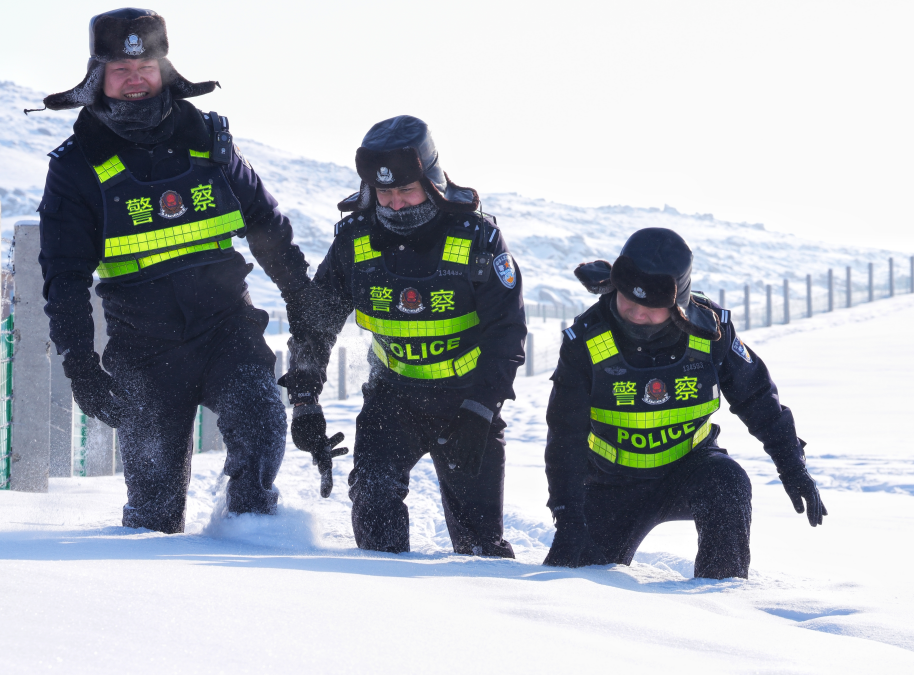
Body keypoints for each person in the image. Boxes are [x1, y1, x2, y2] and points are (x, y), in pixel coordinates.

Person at [33, 8, 312, 533]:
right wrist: (83, 370)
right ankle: (160, 594)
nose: (136, 78)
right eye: (121, 69)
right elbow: (64, 281)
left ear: (165, 69)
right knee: (153, 515)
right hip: (143, 349)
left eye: (147, 65)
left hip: (227, 328)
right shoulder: (74, 166)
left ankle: (249, 537)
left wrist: (304, 304)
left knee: (261, 425)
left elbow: (268, 227)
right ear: (98, 77)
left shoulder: (211, 140)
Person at [281, 115, 526, 557]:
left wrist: (480, 410)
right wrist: (303, 401)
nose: (394, 205)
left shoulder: (479, 239)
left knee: (481, 546)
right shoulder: (353, 240)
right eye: (384, 194)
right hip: (392, 398)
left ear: (432, 184)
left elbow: (506, 336)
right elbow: (314, 327)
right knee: (373, 504)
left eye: (406, 192)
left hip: (468, 402)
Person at [543, 228, 826, 578]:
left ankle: (719, 598)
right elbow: (565, 437)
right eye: (628, 300)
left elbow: (757, 399)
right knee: (569, 580)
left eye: (651, 307)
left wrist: (792, 466)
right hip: (609, 483)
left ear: (678, 305)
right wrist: (568, 514)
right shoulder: (585, 340)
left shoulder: (712, 332)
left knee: (728, 480)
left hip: (688, 469)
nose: (636, 313)